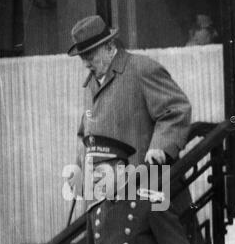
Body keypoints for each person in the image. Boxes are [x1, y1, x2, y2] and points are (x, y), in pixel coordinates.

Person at [67, 15, 192, 173]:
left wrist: (160, 146)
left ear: (110, 46)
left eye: (90, 57)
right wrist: (79, 172)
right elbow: (85, 135)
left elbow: (176, 109)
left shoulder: (141, 68)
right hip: (107, 188)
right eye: (82, 58)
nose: (86, 64)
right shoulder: (91, 84)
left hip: (144, 184)